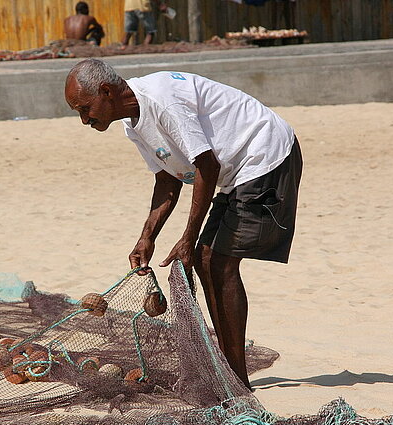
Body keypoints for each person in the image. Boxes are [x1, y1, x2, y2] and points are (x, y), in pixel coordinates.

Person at [64, 59, 303, 389]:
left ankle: (236, 380)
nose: (84, 119)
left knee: (217, 262)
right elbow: (167, 180)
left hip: (265, 155)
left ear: (106, 92)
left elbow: (206, 164)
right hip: (232, 171)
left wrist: (187, 238)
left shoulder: (162, 100)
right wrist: (146, 237)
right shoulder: (132, 125)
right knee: (206, 263)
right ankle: (229, 372)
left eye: (85, 108)